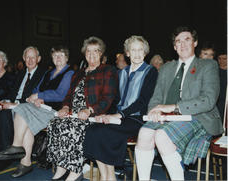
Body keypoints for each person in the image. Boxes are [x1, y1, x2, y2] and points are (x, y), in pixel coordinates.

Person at [135, 26, 223, 180]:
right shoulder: (166, 68)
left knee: (162, 136)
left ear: (195, 43)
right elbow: (156, 98)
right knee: (144, 133)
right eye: (178, 41)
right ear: (174, 47)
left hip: (198, 116)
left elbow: (208, 100)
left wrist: (175, 107)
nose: (182, 44)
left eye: (187, 39)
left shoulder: (208, 66)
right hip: (168, 116)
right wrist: (153, 111)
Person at [83, 36, 158, 181]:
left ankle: (110, 177)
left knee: (106, 132)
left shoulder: (150, 72)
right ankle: (106, 175)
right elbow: (115, 99)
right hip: (120, 117)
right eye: (133, 50)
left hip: (138, 118)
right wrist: (104, 115)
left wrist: (120, 115)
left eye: (140, 50)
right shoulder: (121, 73)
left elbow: (143, 101)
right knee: (92, 129)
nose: (137, 53)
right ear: (127, 53)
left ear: (145, 52)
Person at [46, 36, 118, 181]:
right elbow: (68, 96)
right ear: (84, 53)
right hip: (74, 112)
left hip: (93, 114)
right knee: (55, 123)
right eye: (88, 51)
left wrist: (89, 110)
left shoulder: (108, 70)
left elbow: (108, 98)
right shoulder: (78, 73)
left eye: (95, 51)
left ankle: (75, 172)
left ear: (101, 53)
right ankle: (60, 171)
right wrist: (65, 107)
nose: (91, 54)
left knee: (73, 127)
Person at [0, 45, 74, 178]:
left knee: (22, 111)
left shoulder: (69, 73)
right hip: (42, 107)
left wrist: (40, 97)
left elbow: (61, 94)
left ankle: (17, 148)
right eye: (55, 56)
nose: (58, 58)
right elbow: (37, 89)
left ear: (66, 58)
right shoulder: (49, 73)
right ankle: (25, 162)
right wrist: (35, 98)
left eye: (61, 55)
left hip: (57, 110)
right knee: (24, 113)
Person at [216, 52, 227, 121]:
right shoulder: (214, 71)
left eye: (224, 59)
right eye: (219, 58)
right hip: (218, 103)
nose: (221, 61)